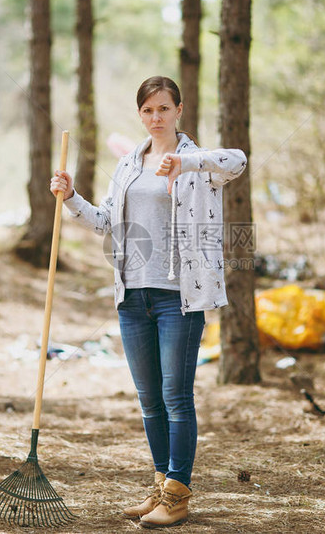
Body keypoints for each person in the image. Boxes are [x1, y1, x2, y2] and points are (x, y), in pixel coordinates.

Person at [49, 76, 247, 528]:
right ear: (140, 115)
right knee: (149, 399)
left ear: (179, 109)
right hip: (132, 296)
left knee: (177, 396)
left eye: (163, 108)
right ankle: (161, 487)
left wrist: (186, 162)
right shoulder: (128, 166)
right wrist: (70, 197)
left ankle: (178, 494)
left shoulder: (201, 163)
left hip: (180, 297)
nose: (155, 117)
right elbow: (104, 223)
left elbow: (238, 160)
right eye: (147, 110)